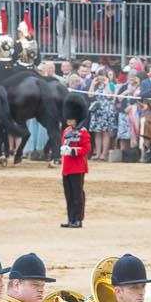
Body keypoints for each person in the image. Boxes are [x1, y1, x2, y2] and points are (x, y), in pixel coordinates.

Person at [57, 92, 91, 227]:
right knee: (69, 195)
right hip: (66, 167)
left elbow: (86, 149)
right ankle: (71, 218)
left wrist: (73, 151)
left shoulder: (83, 132)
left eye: (71, 119)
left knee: (77, 195)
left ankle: (78, 219)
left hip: (77, 167)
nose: (68, 121)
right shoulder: (66, 131)